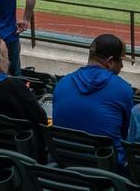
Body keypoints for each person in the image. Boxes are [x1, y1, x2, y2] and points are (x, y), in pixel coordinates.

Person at [52, 34, 133, 166]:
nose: (122, 66)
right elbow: (125, 134)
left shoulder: (63, 83)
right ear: (110, 61)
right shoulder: (123, 89)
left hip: (65, 164)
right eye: (120, 61)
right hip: (107, 170)